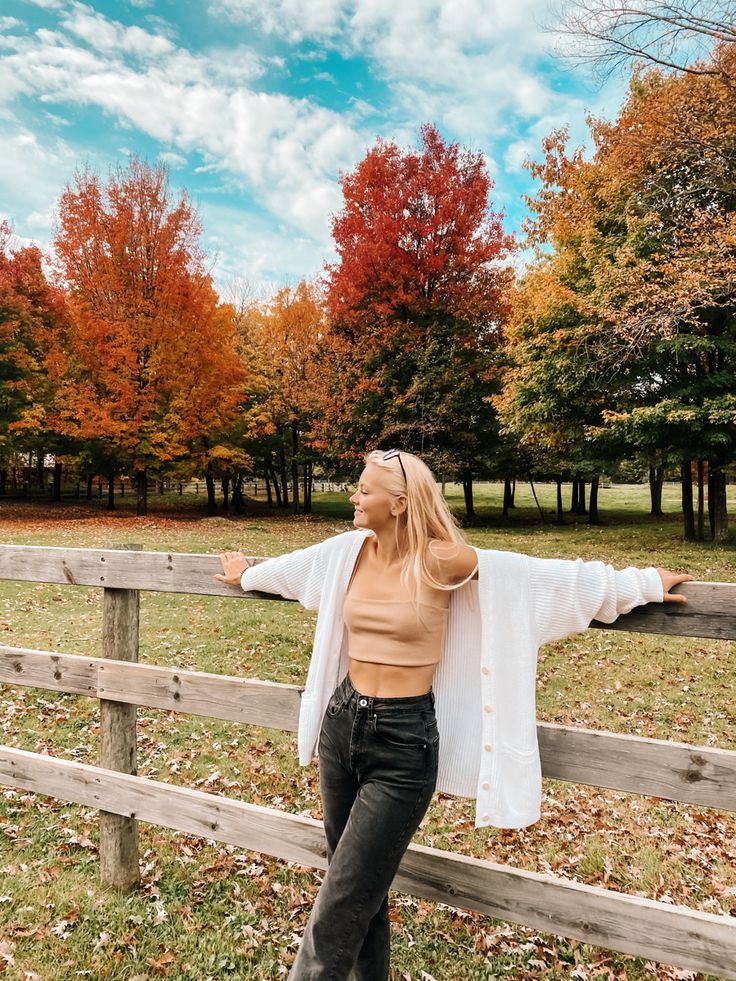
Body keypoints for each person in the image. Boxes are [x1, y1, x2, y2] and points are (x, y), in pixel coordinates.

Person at [215, 449, 692, 981]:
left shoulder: (443, 561)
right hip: (341, 724)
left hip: (401, 742)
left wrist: (644, 585)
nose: (353, 496)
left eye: (364, 490)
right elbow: (290, 571)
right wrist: (247, 573)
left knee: (343, 897)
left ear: (399, 503)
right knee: (355, 890)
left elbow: (545, 580)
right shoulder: (347, 553)